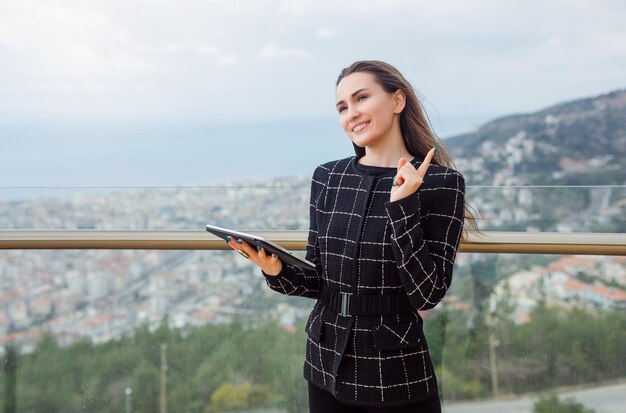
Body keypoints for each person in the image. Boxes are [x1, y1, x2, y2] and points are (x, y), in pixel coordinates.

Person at [226, 60, 477, 412]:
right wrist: (275, 270)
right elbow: (318, 281)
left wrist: (403, 207)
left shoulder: (440, 184)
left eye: (361, 98)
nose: (351, 113)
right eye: (342, 107)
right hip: (324, 362)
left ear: (397, 101)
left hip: (394, 373)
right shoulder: (328, 177)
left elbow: (427, 293)